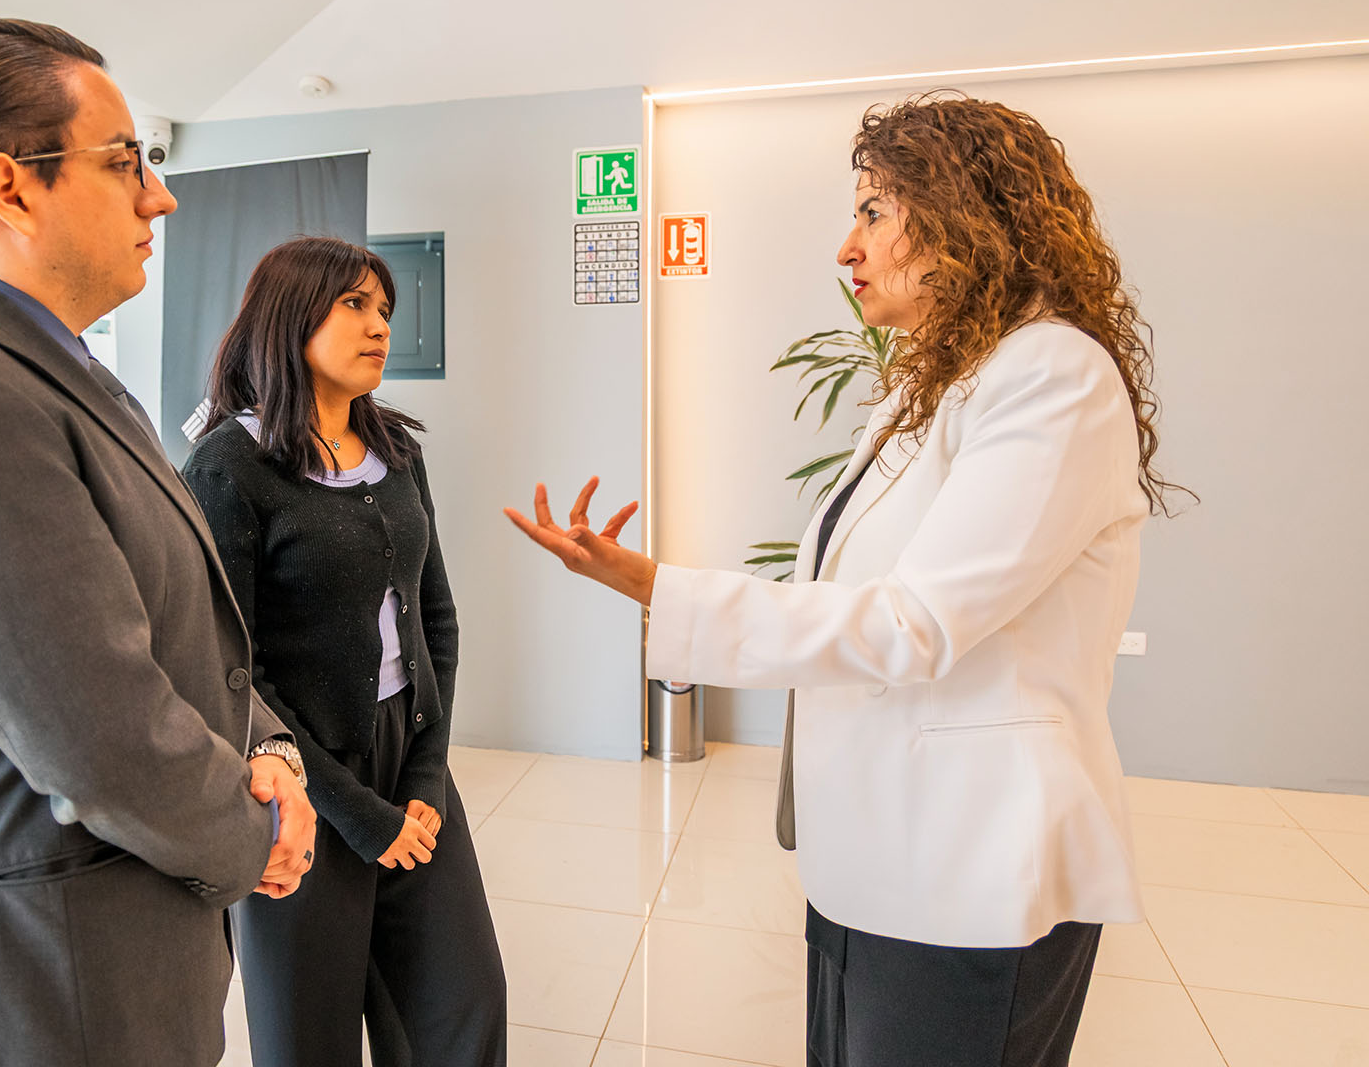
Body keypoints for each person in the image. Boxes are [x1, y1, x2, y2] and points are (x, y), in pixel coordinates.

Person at [507, 94, 1188, 1067]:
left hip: (973, 868)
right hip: (874, 857)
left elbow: (913, 624)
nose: (846, 247)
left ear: (961, 216)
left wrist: (663, 588)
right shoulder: (931, 385)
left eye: (873, 211)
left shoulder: (1050, 376)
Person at [0, 18, 317, 1067]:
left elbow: (170, 634)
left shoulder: (61, 374)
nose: (159, 193)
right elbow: (99, 730)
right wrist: (259, 832)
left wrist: (267, 751)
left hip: (116, 941)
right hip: (38, 979)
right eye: (124, 162)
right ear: (9, 190)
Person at [184, 236, 506, 1067]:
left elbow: (437, 621)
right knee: (307, 1037)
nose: (380, 326)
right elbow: (230, 669)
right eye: (354, 305)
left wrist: (426, 782)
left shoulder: (397, 450)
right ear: (290, 318)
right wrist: (357, 816)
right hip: (294, 779)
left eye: (385, 310)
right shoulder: (229, 466)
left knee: (461, 1010)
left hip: (410, 764)